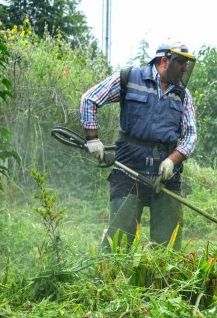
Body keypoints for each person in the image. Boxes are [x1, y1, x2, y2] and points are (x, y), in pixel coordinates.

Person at [80, 43, 197, 250]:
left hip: (165, 178)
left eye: (186, 64)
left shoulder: (182, 95)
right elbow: (89, 99)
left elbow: (190, 135)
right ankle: (109, 279)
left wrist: (172, 160)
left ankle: (164, 281)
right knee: (117, 244)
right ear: (164, 61)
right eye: (180, 63)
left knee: (168, 249)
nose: (184, 69)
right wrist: (93, 139)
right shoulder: (128, 79)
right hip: (128, 171)